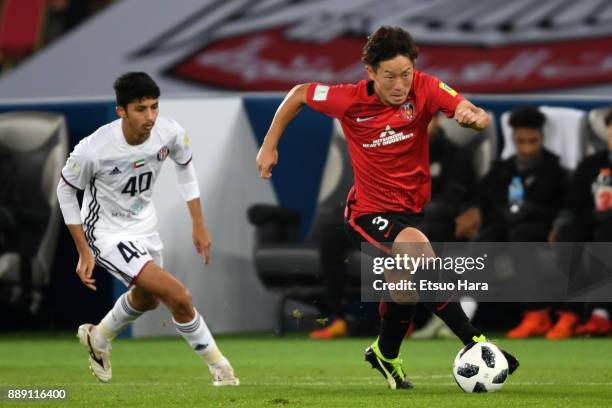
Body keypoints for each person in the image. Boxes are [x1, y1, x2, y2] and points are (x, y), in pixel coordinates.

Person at [256, 26, 518, 389]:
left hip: (410, 210)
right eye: (390, 76)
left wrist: (474, 118)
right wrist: (269, 146)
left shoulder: (425, 87)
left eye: (406, 75)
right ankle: (475, 340)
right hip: (365, 212)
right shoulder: (348, 99)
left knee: (405, 289)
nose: (399, 85)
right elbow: (299, 93)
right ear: (371, 73)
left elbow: (468, 109)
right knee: (419, 253)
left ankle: (385, 353)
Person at [56, 72, 239, 386]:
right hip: (106, 232)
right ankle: (222, 370)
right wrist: (83, 248)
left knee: (147, 299)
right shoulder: (94, 150)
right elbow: (65, 190)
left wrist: (198, 223)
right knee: (179, 296)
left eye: (154, 107)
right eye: (141, 109)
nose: (150, 116)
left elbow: (185, 165)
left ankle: (98, 337)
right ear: (121, 111)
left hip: (145, 227)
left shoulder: (169, 133)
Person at [547, 109, 612, 338]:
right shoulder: (591, 164)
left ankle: (600, 313)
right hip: (591, 223)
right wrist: (560, 224)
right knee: (568, 234)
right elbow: (573, 203)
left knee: (605, 235)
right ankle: (571, 313)